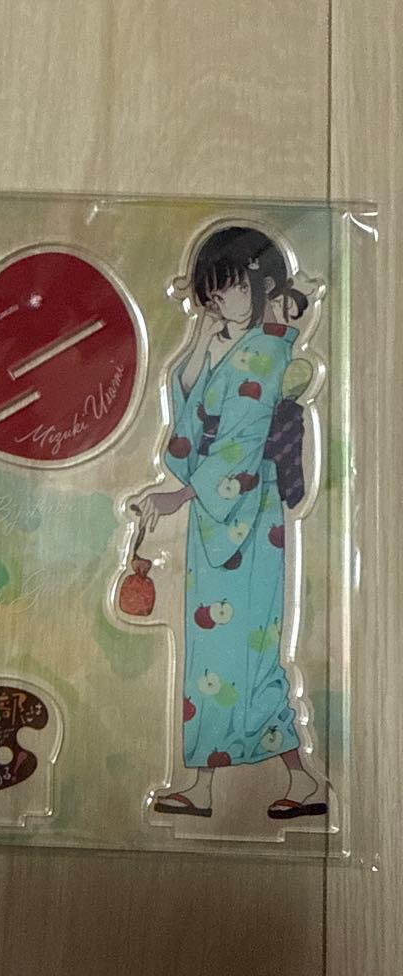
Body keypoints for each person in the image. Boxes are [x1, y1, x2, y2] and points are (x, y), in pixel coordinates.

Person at [140, 226, 327, 820]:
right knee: (211, 658)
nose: (219, 302)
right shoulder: (234, 344)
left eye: (229, 289)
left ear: (260, 281)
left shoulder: (267, 352)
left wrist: (180, 494)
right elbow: (187, 405)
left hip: (247, 515)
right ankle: (202, 786)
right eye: (211, 294)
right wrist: (199, 336)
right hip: (217, 521)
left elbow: (240, 441)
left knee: (252, 657)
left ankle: (304, 779)